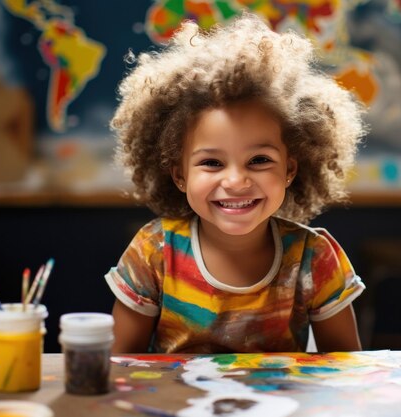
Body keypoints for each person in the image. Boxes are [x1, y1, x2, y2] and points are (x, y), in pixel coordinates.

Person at [105, 12, 366, 354]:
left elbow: (347, 368)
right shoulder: (155, 252)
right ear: (180, 176)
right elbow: (119, 366)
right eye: (211, 163)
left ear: (289, 169)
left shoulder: (313, 257)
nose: (236, 180)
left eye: (259, 161)